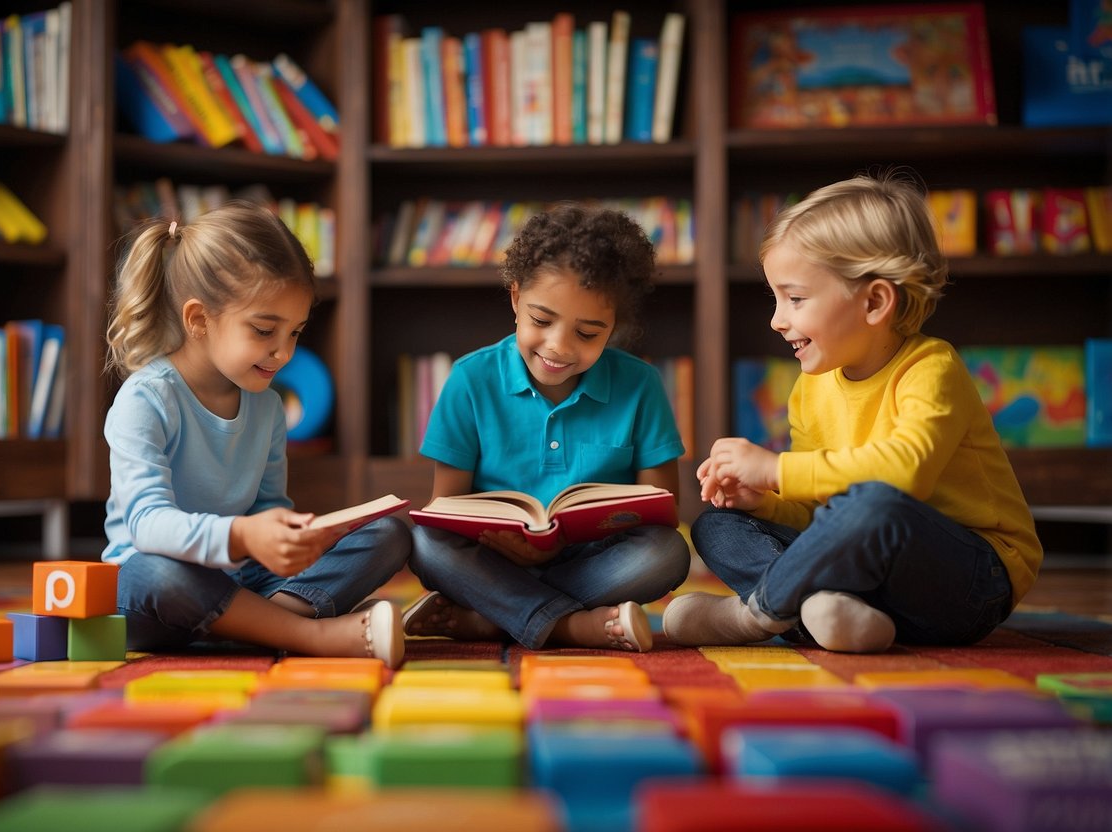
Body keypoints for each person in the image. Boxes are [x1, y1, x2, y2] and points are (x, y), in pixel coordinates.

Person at [664, 172, 1042, 653]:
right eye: (776, 299)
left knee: (874, 503)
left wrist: (777, 468)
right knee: (717, 525)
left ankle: (756, 614)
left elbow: (903, 479)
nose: (777, 320)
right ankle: (831, 616)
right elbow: (822, 516)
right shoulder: (811, 387)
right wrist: (766, 502)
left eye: (795, 299)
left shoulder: (931, 368)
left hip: (972, 580)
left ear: (875, 302)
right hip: (873, 582)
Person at [102, 201, 409, 667]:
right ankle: (310, 636)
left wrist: (297, 537)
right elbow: (146, 524)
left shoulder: (266, 405)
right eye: (265, 330)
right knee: (152, 571)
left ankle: (264, 626)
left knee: (388, 534)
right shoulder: (145, 400)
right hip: (153, 599)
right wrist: (245, 535)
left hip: (241, 581)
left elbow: (267, 507)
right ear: (199, 320)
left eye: (296, 333)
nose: (283, 353)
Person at [405, 203, 691, 652]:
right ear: (516, 297)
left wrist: (563, 542)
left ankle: (497, 619)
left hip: (591, 561)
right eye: (542, 320)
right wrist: (501, 541)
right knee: (424, 543)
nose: (558, 347)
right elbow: (447, 507)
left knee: (666, 554)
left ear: (613, 325)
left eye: (589, 333)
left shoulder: (641, 385)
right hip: (495, 561)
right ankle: (568, 627)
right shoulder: (470, 378)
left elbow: (660, 509)